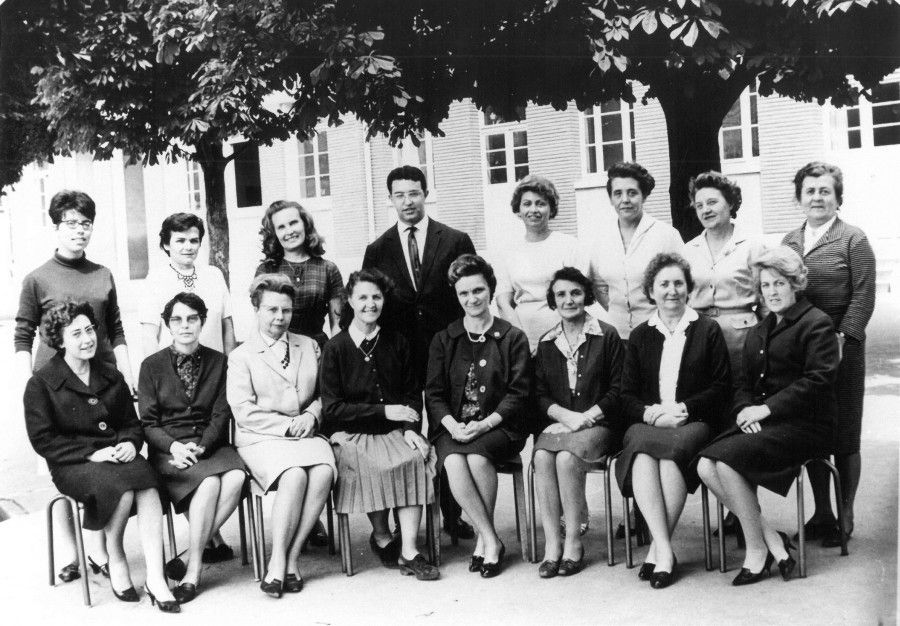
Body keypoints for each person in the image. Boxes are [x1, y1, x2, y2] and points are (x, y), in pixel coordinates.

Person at [697, 246, 840, 585]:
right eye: (765, 286)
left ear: (796, 284)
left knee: (728, 463)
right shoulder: (761, 328)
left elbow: (817, 381)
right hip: (766, 422)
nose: (772, 292)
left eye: (779, 284)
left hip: (806, 425)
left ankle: (757, 553)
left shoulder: (815, 323)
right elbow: (743, 383)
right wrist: (745, 410)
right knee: (705, 465)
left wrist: (766, 409)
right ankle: (774, 542)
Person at [25, 302, 179, 613]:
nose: (87, 339)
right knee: (119, 488)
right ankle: (115, 553)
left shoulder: (111, 375)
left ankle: (155, 575)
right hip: (74, 464)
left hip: (118, 454)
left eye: (90, 330)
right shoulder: (41, 384)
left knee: (148, 482)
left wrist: (130, 444)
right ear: (59, 340)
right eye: (77, 333)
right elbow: (43, 441)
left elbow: (132, 424)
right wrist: (92, 453)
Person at [15, 190, 136, 583]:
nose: (79, 231)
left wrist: (127, 371)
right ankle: (71, 553)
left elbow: (115, 327)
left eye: (85, 223)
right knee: (68, 464)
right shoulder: (37, 278)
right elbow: (23, 333)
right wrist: (28, 382)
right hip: (57, 388)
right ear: (56, 227)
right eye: (71, 223)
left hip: (102, 382)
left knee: (106, 460)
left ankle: (100, 549)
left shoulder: (103, 274)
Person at [363, 164, 477, 541]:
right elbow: (371, 303)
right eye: (400, 194)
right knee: (406, 431)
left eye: (414, 192)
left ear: (425, 193)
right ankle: (406, 517)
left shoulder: (455, 240)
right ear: (390, 199)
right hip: (401, 355)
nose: (408, 201)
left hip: (448, 349)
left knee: (447, 426)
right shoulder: (377, 249)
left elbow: (469, 295)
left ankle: (452, 512)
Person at [614, 253, 731, 589]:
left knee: (668, 461)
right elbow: (626, 395)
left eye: (678, 283)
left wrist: (682, 410)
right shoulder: (639, 335)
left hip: (692, 421)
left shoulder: (707, 330)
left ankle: (657, 550)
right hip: (648, 422)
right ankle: (664, 549)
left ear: (688, 288)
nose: (672, 290)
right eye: (663, 284)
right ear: (651, 290)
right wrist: (650, 413)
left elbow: (721, 386)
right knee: (641, 450)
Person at [320, 269, 439, 580]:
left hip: (396, 431)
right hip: (353, 434)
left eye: (376, 297)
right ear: (349, 300)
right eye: (362, 297)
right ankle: (383, 535)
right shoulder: (336, 348)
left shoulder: (397, 341)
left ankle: (409, 550)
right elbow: (332, 408)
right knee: (375, 465)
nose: (370, 304)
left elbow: (413, 393)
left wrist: (412, 430)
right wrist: (385, 412)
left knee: (415, 457)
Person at [781, 162, 876, 548]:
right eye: (810, 191)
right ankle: (822, 512)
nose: (817, 197)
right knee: (813, 431)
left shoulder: (854, 239)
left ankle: (846, 511)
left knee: (845, 433)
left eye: (825, 191)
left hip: (844, 352)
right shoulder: (788, 241)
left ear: (838, 197)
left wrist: (842, 337)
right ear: (799, 197)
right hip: (802, 354)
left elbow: (864, 293)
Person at [227, 274, 336, 598]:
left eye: (286, 311)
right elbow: (243, 409)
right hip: (262, 437)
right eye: (271, 309)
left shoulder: (309, 345)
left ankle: (291, 556)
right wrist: (286, 426)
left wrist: (312, 414)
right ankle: (278, 562)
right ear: (257, 310)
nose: (279, 317)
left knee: (323, 472)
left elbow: (325, 393)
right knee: (293, 476)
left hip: (306, 432)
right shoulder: (241, 355)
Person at [425, 254, 531, 578]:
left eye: (478, 291)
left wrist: (485, 423)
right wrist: (452, 425)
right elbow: (435, 394)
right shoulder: (445, 339)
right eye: (464, 293)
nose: (472, 299)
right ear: (456, 297)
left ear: (490, 290)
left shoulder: (512, 336)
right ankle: (490, 539)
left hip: (500, 426)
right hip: (452, 428)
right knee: (456, 461)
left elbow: (519, 393)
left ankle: (485, 541)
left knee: (478, 458)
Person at [139, 292, 247, 603]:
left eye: (192, 319)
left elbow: (221, 412)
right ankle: (194, 570)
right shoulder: (151, 366)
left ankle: (189, 556)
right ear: (168, 326)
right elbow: (148, 423)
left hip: (210, 445)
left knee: (237, 477)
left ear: (202, 322)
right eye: (177, 319)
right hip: (168, 451)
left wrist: (202, 446)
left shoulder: (220, 361)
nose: (185, 325)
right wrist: (174, 447)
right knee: (211, 481)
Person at [532, 267, 624, 578]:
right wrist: (563, 416)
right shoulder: (547, 342)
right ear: (553, 300)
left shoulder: (607, 335)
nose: (569, 300)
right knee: (543, 457)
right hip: (563, 424)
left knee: (567, 460)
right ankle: (552, 544)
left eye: (575, 292)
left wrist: (584, 417)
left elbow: (619, 390)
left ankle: (573, 541)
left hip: (600, 424)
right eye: (561, 294)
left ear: (585, 295)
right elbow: (540, 394)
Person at [585, 162, 684, 341]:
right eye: (618, 194)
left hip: (660, 332)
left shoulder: (666, 234)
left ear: (644, 196)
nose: (625, 200)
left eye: (632, 193)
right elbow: (598, 284)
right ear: (610, 199)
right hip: (617, 336)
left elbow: (684, 283)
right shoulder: (601, 238)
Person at [683, 171, 764, 378]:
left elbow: (766, 301)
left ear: (730, 203)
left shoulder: (752, 247)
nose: (705, 210)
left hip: (743, 338)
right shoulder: (688, 250)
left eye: (712, 202)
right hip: (698, 337)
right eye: (699, 205)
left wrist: (765, 339)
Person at [496, 175, 587, 351]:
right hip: (522, 339)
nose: (534, 209)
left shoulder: (568, 244)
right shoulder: (509, 251)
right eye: (527, 203)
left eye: (541, 203)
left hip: (565, 337)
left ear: (551, 209)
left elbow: (577, 296)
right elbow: (503, 301)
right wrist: (520, 340)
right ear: (518, 209)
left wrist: (563, 336)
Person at [141, 213, 236, 356]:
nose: (188, 247)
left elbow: (227, 326)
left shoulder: (214, 275)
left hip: (214, 371)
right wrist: (156, 375)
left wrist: (232, 368)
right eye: (180, 241)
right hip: (172, 371)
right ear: (166, 244)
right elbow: (149, 336)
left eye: (193, 241)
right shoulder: (155, 279)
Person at [256, 200, 344, 349]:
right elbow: (260, 322)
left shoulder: (328, 269)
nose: (289, 231)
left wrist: (335, 359)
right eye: (281, 227)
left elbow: (337, 325)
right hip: (278, 350)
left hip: (317, 349)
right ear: (274, 234)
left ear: (305, 224)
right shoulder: (266, 270)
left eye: (293, 223)